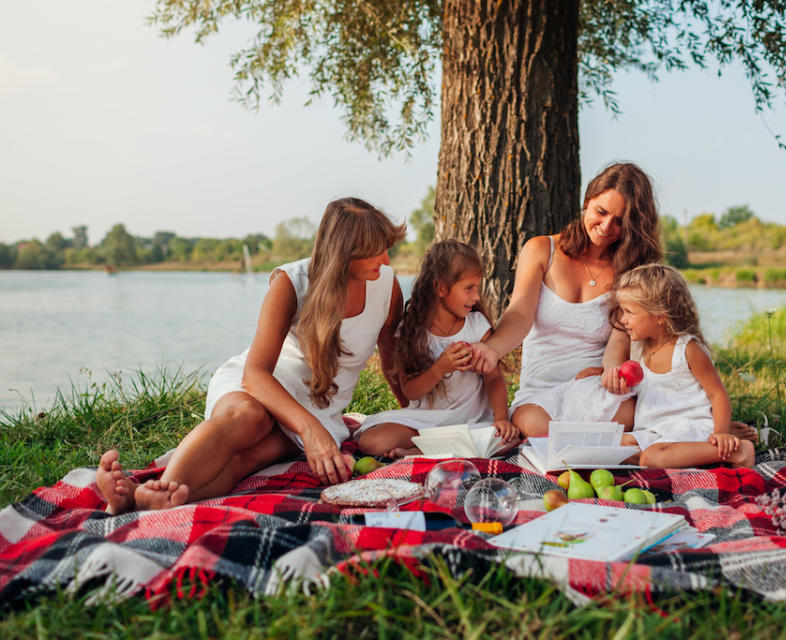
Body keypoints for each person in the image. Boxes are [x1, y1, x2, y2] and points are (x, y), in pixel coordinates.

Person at [96, 197, 407, 513]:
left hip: (317, 411)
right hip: (261, 389)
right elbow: (255, 374)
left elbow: (391, 360)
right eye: (375, 250)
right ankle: (159, 491)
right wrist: (310, 431)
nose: (385, 258)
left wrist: (411, 417)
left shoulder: (386, 286)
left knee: (246, 460)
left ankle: (138, 498)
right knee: (249, 419)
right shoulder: (291, 283)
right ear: (345, 252)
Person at [470, 162, 662, 437]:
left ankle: (594, 442)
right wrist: (492, 349)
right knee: (532, 424)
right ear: (587, 202)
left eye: (620, 221)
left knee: (629, 414)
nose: (607, 226)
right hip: (541, 393)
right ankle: (610, 444)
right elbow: (520, 316)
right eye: (601, 212)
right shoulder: (541, 249)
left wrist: (608, 373)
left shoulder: (632, 269)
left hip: (596, 387)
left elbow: (622, 338)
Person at [354, 240, 520, 457]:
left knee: (510, 438)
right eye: (469, 288)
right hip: (427, 421)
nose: (477, 296)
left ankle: (416, 452)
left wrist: (500, 419)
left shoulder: (476, 326)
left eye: (477, 287)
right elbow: (410, 390)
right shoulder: (413, 331)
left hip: (471, 420)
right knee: (372, 442)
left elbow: (494, 379)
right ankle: (444, 448)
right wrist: (439, 368)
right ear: (440, 288)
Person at [615, 264, 754, 468]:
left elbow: (718, 394)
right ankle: (700, 454)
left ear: (660, 316)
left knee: (651, 459)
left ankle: (738, 451)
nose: (623, 319)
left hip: (689, 427)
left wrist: (721, 433)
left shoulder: (687, 349)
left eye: (629, 312)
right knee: (615, 446)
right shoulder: (638, 347)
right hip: (657, 431)